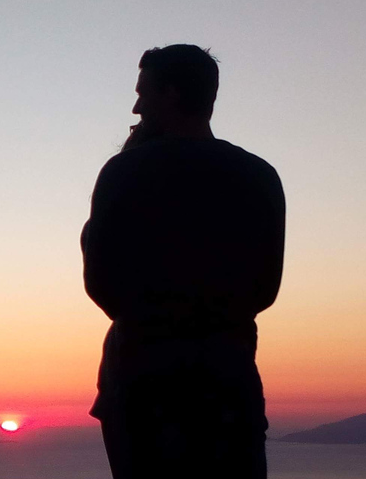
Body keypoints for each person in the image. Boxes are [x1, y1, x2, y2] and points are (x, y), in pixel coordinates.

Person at [81, 45, 285, 479]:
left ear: (171, 94)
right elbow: (266, 287)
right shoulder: (259, 175)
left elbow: (100, 281)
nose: (135, 106)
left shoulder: (124, 171)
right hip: (228, 378)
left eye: (143, 93)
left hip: (141, 379)